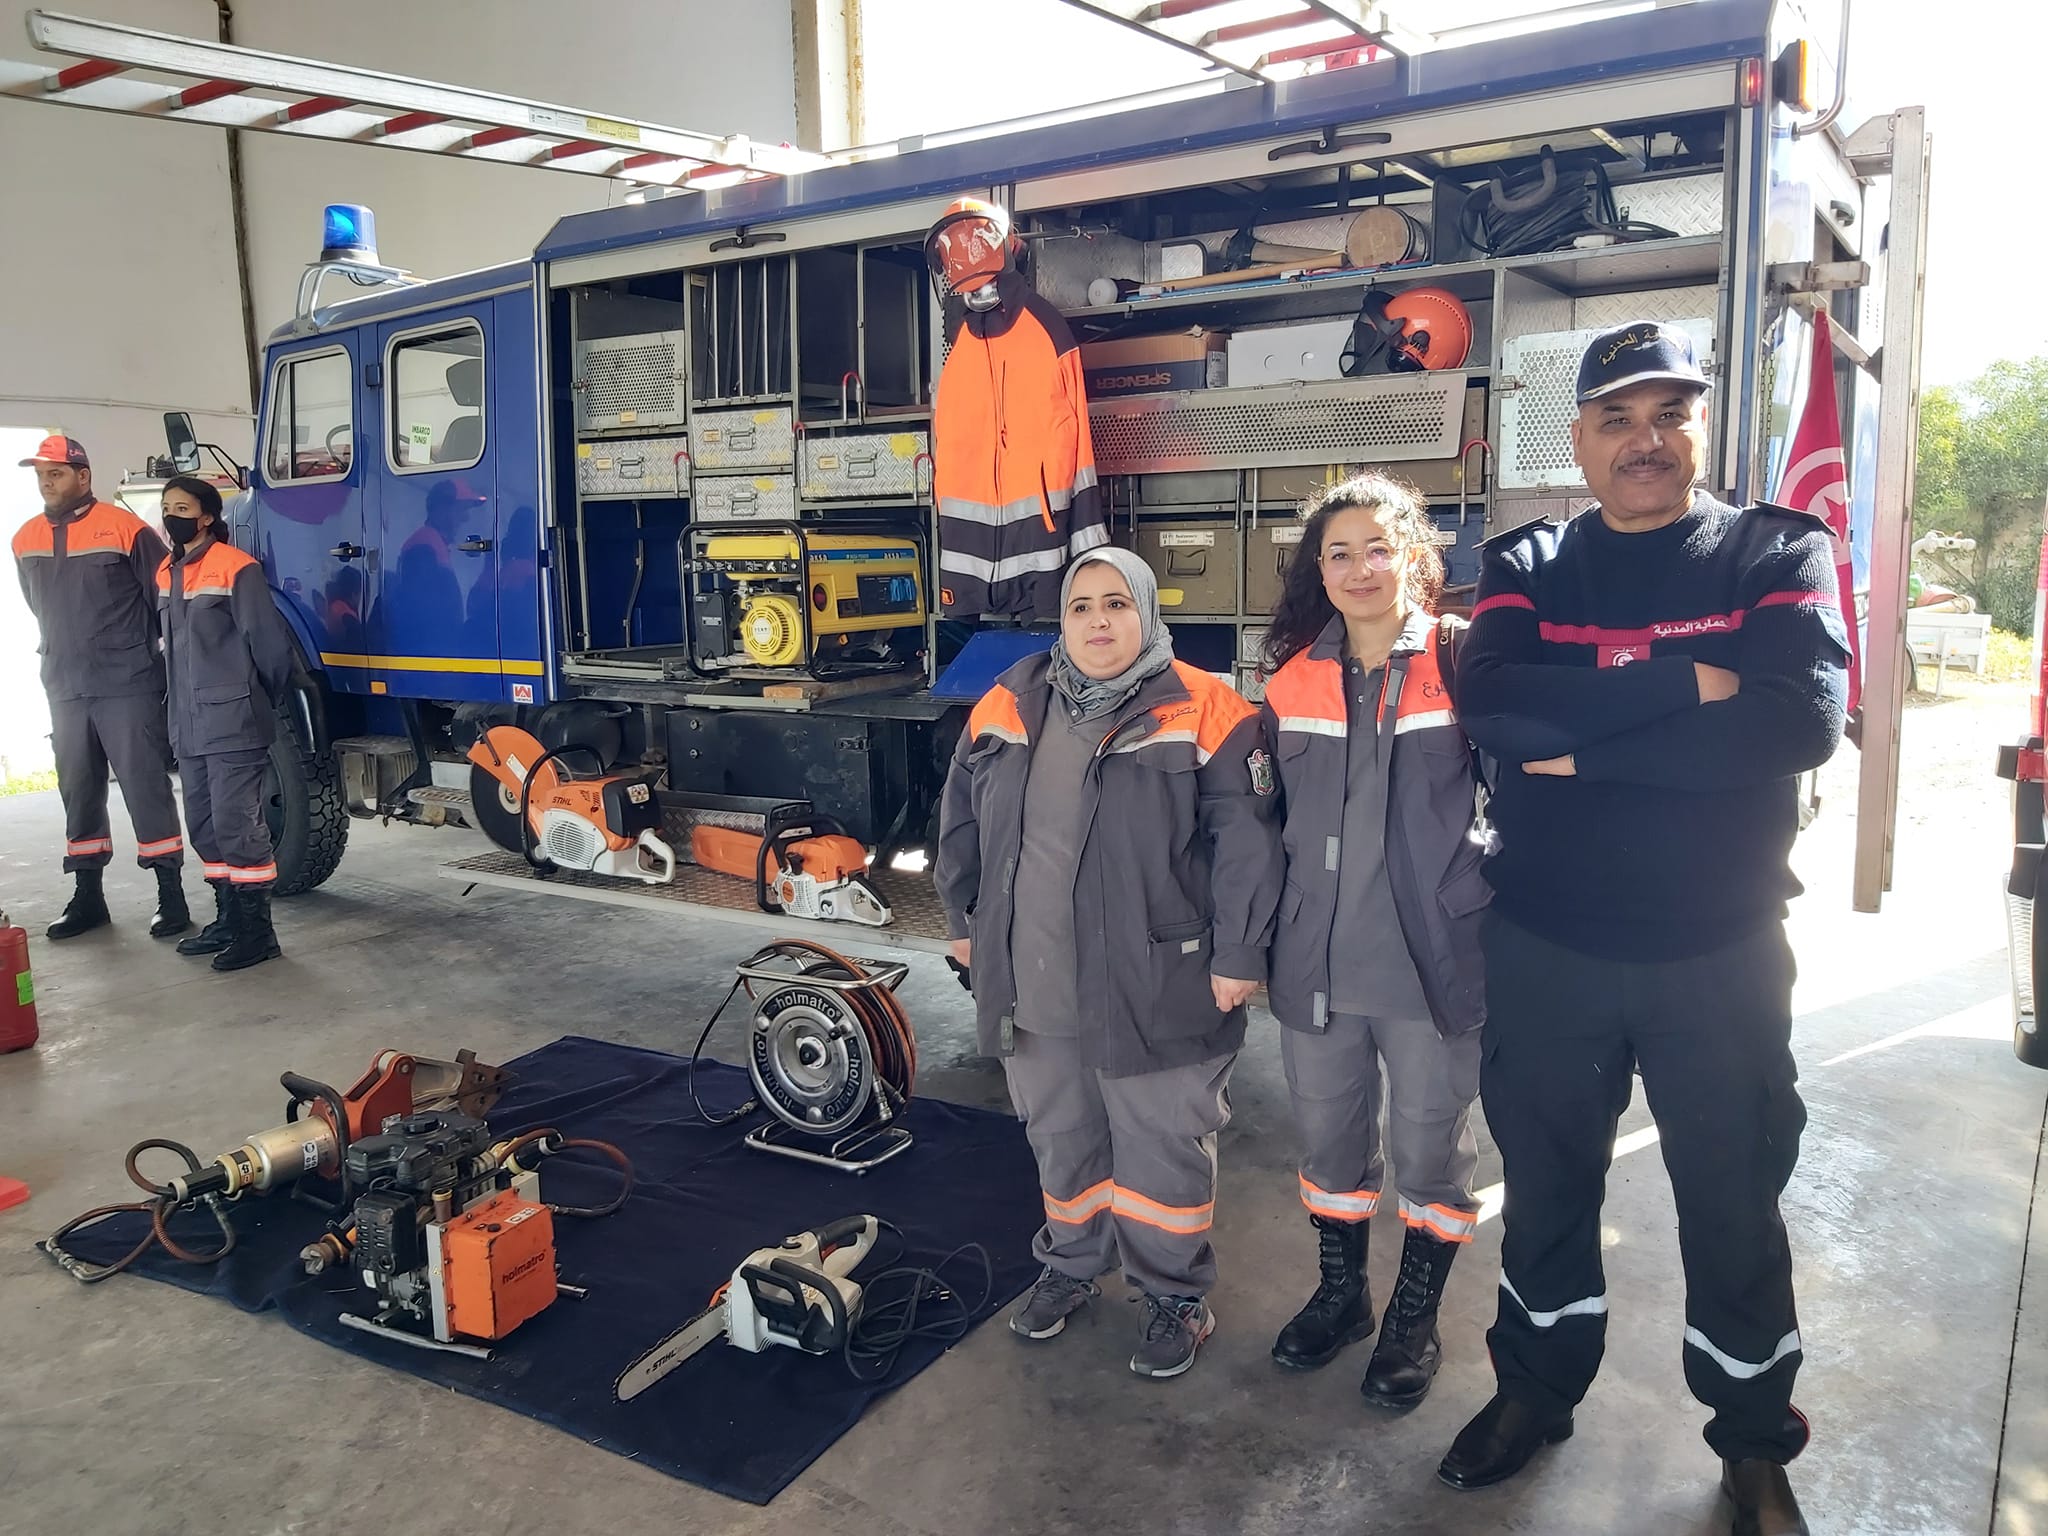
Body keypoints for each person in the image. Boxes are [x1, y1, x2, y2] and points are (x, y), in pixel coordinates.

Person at [1437, 323, 1847, 1536]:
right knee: (1545, 1190)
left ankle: (1752, 1443)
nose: (1644, 441)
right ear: (1575, 440)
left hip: (1718, 953)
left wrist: (1584, 746)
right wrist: (1685, 685)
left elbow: (1795, 723)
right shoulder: (1527, 561)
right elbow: (1495, 713)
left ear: (1701, 426)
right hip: (1547, 949)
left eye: (1668, 413)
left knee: (1732, 1202)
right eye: (1615, 418)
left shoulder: (1774, 550)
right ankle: (1533, 1390)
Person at [935, 545, 1282, 1379]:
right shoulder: (1010, 701)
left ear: (1147, 612)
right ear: (1061, 620)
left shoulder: (1207, 708)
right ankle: (1071, 1261)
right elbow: (961, 816)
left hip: (1158, 978)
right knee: (1060, 1133)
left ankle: (1173, 1293)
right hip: (1037, 974)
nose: (1098, 622)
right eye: (1081, 606)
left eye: (1116, 604)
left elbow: (1248, 846)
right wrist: (962, 916)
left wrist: (1240, 954)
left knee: (1163, 1141)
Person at [1257, 474, 1490, 1407]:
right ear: (1319, 571)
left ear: (1413, 558)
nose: (1359, 569)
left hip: (1430, 966)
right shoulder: (1288, 683)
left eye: (1378, 549)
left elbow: (1523, 798)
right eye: (1339, 554)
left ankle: (1413, 1318)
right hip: (1317, 966)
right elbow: (1258, 825)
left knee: (1431, 1153)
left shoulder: (1461, 657)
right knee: (1328, 1145)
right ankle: (1343, 1296)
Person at [11, 435, 188, 940]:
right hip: (64, 685)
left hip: (126, 682)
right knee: (78, 790)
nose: (46, 482)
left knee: (144, 787)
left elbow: (164, 598)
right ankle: (88, 897)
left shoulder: (125, 529)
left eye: (56, 473)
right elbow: (38, 605)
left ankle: (171, 895)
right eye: (41, 475)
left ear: (83, 476)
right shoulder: (24, 538)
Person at [155, 476, 298, 971]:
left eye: (182, 508)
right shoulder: (166, 572)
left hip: (233, 719)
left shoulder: (237, 567)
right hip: (188, 723)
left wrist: (254, 699)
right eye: (167, 507)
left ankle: (259, 932)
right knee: (204, 824)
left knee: (238, 825)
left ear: (208, 516)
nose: (172, 516)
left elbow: (271, 650)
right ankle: (229, 919)